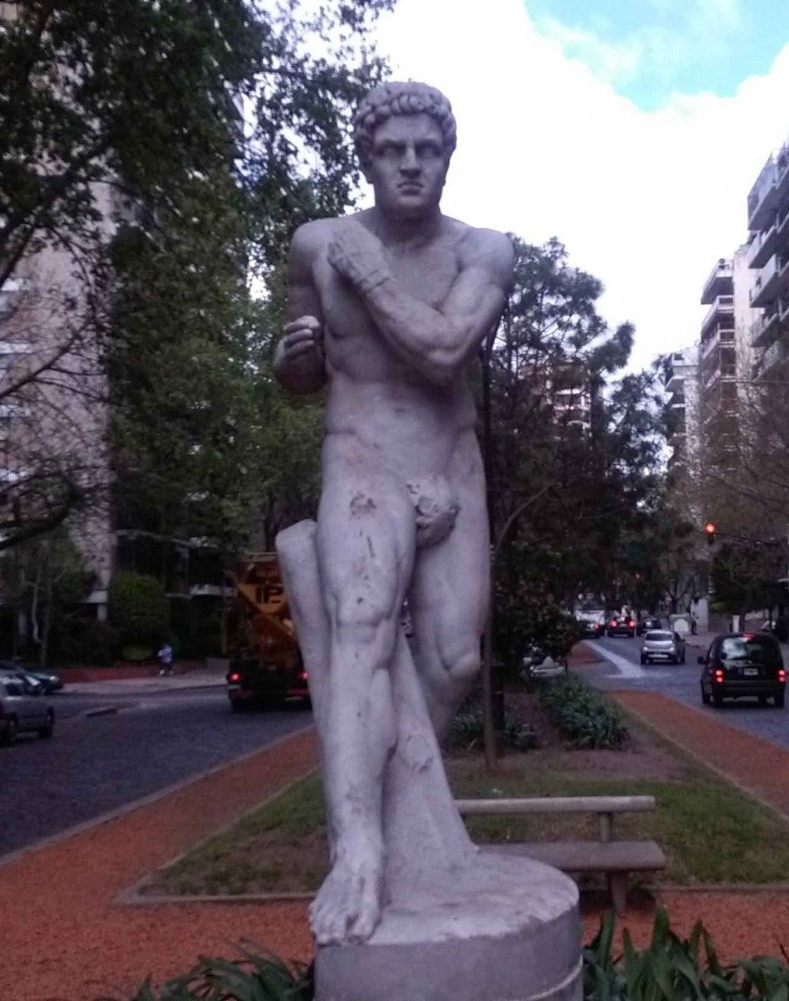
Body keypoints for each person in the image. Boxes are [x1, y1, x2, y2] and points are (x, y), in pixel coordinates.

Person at [272, 81, 514, 946]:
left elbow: (447, 351)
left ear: (448, 157)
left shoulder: (483, 250)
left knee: (452, 660)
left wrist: (370, 278)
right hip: (362, 457)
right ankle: (360, 846)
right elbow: (305, 372)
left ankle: (405, 804)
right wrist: (292, 357)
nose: (411, 164)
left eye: (428, 149)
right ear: (367, 157)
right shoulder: (314, 245)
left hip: (448, 464)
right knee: (363, 625)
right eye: (393, 150)